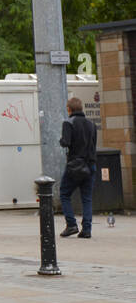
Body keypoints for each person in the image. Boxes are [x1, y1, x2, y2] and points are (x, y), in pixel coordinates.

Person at [59, 96, 98, 238]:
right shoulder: (91, 124)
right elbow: (93, 144)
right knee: (87, 198)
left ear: (69, 109)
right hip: (90, 165)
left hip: (75, 165)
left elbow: (66, 142)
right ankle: (86, 229)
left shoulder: (68, 123)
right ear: (81, 108)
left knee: (64, 193)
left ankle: (71, 224)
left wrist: (62, 140)